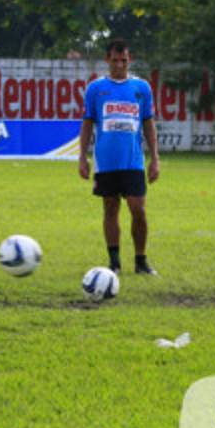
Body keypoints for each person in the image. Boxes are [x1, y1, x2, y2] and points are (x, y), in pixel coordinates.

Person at [78, 38, 160, 275]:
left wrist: (155, 158)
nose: (119, 65)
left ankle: (141, 261)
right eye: (115, 60)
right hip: (106, 161)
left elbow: (148, 123)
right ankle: (114, 262)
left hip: (133, 160)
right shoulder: (95, 88)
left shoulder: (141, 88)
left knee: (138, 210)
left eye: (124, 60)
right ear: (107, 59)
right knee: (110, 209)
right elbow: (87, 123)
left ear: (129, 59)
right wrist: (82, 157)